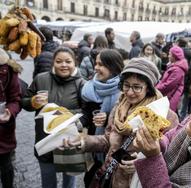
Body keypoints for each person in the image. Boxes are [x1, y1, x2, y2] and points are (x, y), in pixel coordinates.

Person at [62, 57, 180, 187]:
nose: (129, 92)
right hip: (111, 175)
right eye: (126, 85)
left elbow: (170, 156)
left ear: (149, 88)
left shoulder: (164, 115)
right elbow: (108, 141)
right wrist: (83, 141)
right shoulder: (120, 107)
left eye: (137, 87)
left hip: (136, 182)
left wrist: (142, 163)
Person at [21, 46, 89, 188]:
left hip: (69, 142)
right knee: (48, 183)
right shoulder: (41, 79)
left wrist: (72, 121)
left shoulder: (81, 84)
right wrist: (32, 102)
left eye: (68, 61)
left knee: (69, 184)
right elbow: (24, 101)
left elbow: (87, 113)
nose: (63, 65)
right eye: (59, 61)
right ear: (53, 63)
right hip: (45, 140)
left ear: (74, 63)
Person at [81, 49, 124, 187]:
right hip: (92, 146)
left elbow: (125, 125)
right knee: (89, 180)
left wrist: (108, 120)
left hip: (113, 150)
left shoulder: (124, 91)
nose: (96, 67)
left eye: (101, 64)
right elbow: (86, 114)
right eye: (96, 63)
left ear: (113, 67)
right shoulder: (90, 87)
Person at [0, 48, 22, 188]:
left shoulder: (7, 67)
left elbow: (15, 99)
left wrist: (10, 111)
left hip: (2, 130)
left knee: (6, 167)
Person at [156, 46, 188, 112]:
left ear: (175, 56)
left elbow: (169, 85)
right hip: (168, 96)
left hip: (170, 97)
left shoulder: (178, 69)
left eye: (170, 54)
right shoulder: (175, 66)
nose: (168, 56)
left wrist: (155, 88)